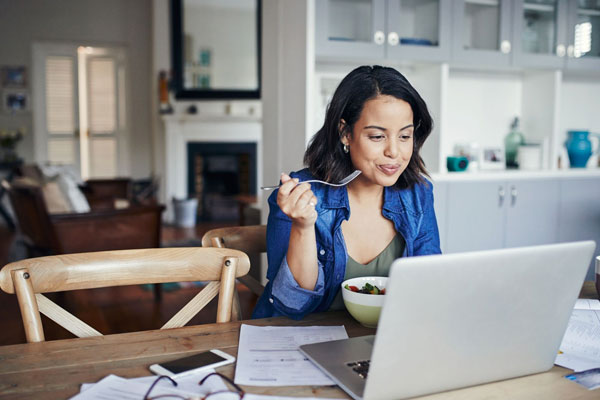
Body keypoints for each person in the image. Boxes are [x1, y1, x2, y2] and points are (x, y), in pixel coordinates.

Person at [252, 65, 441, 320]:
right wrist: (303, 227)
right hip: (301, 342)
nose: (394, 152)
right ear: (345, 133)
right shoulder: (301, 195)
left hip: (379, 343)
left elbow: (429, 286)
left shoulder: (418, 195)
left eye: (405, 136)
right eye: (377, 136)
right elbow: (293, 305)